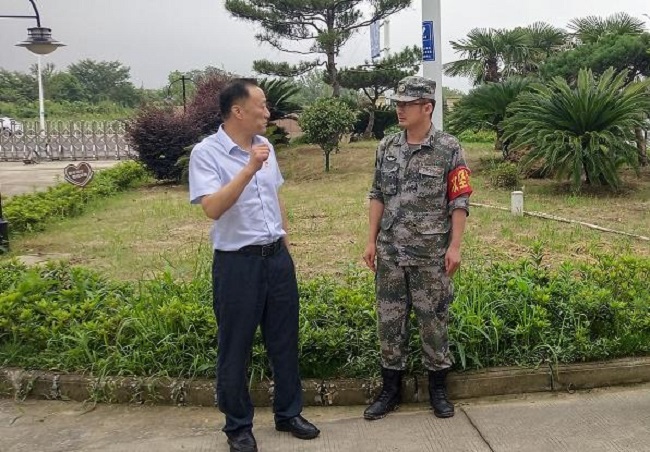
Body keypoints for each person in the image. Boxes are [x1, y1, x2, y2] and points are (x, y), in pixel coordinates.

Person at [188, 78, 319, 452]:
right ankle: (238, 426)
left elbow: (275, 198)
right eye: (261, 105)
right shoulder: (207, 153)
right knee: (236, 347)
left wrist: (286, 249)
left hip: (275, 259)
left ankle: (288, 413)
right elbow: (212, 208)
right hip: (237, 265)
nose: (267, 111)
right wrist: (247, 168)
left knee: (284, 340)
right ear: (237, 111)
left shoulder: (265, 146)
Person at [362, 76, 473, 421]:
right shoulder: (386, 147)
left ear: (427, 107)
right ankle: (390, 390)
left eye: (407, 104)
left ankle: (438, 389)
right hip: (391, 253)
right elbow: (377, 194)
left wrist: (455, 246)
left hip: (430, 254)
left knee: (433, 320)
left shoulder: (449, 148)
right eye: (398, 103)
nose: (400, 109)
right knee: (389, 322)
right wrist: (370, 240)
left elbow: (459, 199)